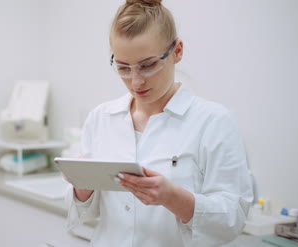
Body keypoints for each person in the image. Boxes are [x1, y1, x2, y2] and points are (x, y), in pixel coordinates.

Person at [64, 0, 254, 246]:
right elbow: (78, 215)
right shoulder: (101, 118)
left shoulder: (214, 122)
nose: (136, 82)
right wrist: (82, 188)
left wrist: (172, 197)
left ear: (177, 51)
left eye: (148, 65)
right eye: (123, 67)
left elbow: (233, 219)